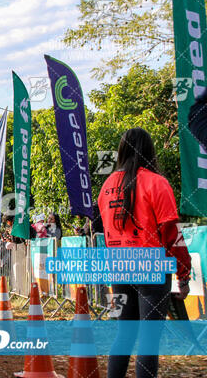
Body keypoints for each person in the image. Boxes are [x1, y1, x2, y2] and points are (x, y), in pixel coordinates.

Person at [97, 128, 191, 378]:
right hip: (151, 266)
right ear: (149, 151)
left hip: (118, 268)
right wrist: (184, 274)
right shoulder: (156, 183)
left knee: (123, 335)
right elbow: (172, 235)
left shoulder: (106, 186)